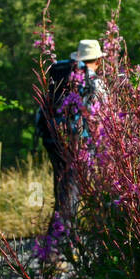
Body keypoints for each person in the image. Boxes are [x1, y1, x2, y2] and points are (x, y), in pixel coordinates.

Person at [33, 39, 108, 235]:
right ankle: (62, 241)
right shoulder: (95, 82)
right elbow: (104, 116)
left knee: (63, 188)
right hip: (79, 143)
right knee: (73, 189)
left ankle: (58, 238)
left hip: (54, 141)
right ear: (99, 60)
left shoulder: (61, 76)